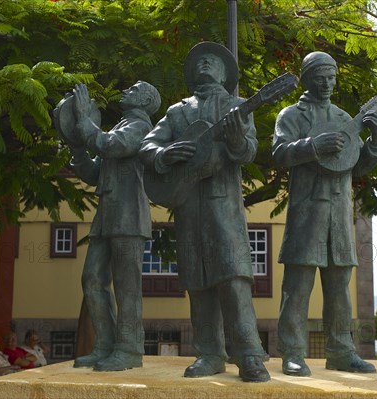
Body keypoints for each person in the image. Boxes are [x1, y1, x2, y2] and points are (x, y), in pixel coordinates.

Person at [139, 42, 269, 383]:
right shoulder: (176, 112)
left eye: (211, 61)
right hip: (188, 205)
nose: (204, 65)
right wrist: (163, 155)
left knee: (232, 279)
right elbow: (147, 145)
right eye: (198, 62)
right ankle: (209, 354)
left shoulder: (237, 106)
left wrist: (238, 139)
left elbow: (248, 151)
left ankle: (250, 355)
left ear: (226, 73)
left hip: (223, 204)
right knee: (197, 283)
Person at [273, 51, 377, 376]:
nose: (326, 83)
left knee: (340, 288)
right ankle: (292, 353)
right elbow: (279, 154)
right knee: (297, 287)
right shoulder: (291, 115)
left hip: (339, 214)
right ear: (307, 78)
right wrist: (312, 146)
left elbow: (355, 164)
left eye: (331, 77)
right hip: (307, 212)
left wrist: (375, 141)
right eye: (320, 77)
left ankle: (340, 351)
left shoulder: (342, 117)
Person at [57, 80, 161, 371]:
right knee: (91, 279)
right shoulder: (120, 126)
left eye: (134, 89)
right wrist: (77, 148)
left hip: (129, 217)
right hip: (107, 217)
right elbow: (93, 172)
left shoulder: (140, 128)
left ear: (145, 100)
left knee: (127, 287)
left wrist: (83, 120)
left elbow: (108, 145)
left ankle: (129, 349)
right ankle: (105, 344)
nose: (125, 90)